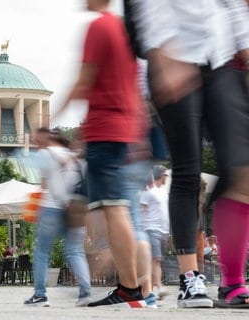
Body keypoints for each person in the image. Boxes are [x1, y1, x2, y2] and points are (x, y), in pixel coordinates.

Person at [134, 0, 249, 309]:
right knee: (187, 170)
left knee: (241, 170)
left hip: (221, 56)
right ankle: (190, 279)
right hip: (175, 53)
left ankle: (232, 283)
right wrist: (160, 55)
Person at [53, 0, 147, 308]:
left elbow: (84, 80)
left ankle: (130, 287)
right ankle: (124, 283)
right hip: (117, 129)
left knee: (114, 207)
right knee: (103, 206)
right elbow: (133, 85)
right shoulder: (122, 29)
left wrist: (50, 121)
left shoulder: (99, 26)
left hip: (105, 128)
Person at [24, 130, 91, 307]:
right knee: (75, 251)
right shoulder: (76, 157)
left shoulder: (46, 153)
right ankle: (85, 293)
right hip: (76, 208)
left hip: (52, 207)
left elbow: (43, 180)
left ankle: (40, 295)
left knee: (42, 252)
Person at [139, 165, 170, 300]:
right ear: (161, 176)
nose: (167, 178)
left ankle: (149, 290)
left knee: (157, 261)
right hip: (151, 229)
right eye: (165, 175)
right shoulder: (148, 192)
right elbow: (141, 209)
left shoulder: (163, 191)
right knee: (155, 260)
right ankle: (158, 286)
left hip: (164, 230)